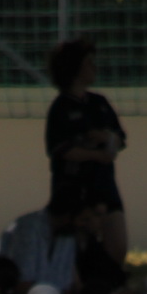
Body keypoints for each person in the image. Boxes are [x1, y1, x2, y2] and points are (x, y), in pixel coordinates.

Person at [45, 39, 127, 264]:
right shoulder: (61, 108)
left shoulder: (99, 103)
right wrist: (96, 155)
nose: (94, 67)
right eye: (89, 62)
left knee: (117, 248)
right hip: (73, 190)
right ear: (76, 68)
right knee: (72, 251)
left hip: (104, 186)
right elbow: (60, 149)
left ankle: (109, 282)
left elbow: (120, 138)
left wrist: (106, 138)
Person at [0, 186, 101, 294]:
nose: (84, 225)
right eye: (84, 220)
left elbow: (65, 287)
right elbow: (22, 286)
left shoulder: (67, 237)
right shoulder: (29, 228)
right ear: (67, 216)